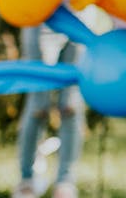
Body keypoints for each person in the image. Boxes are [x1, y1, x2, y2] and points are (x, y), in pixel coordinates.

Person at [13, 24, 84, 198]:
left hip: (79, 17)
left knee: (71, 105)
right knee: (38, 104)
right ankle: (27, 180)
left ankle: (65, 183)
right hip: (39, 17)